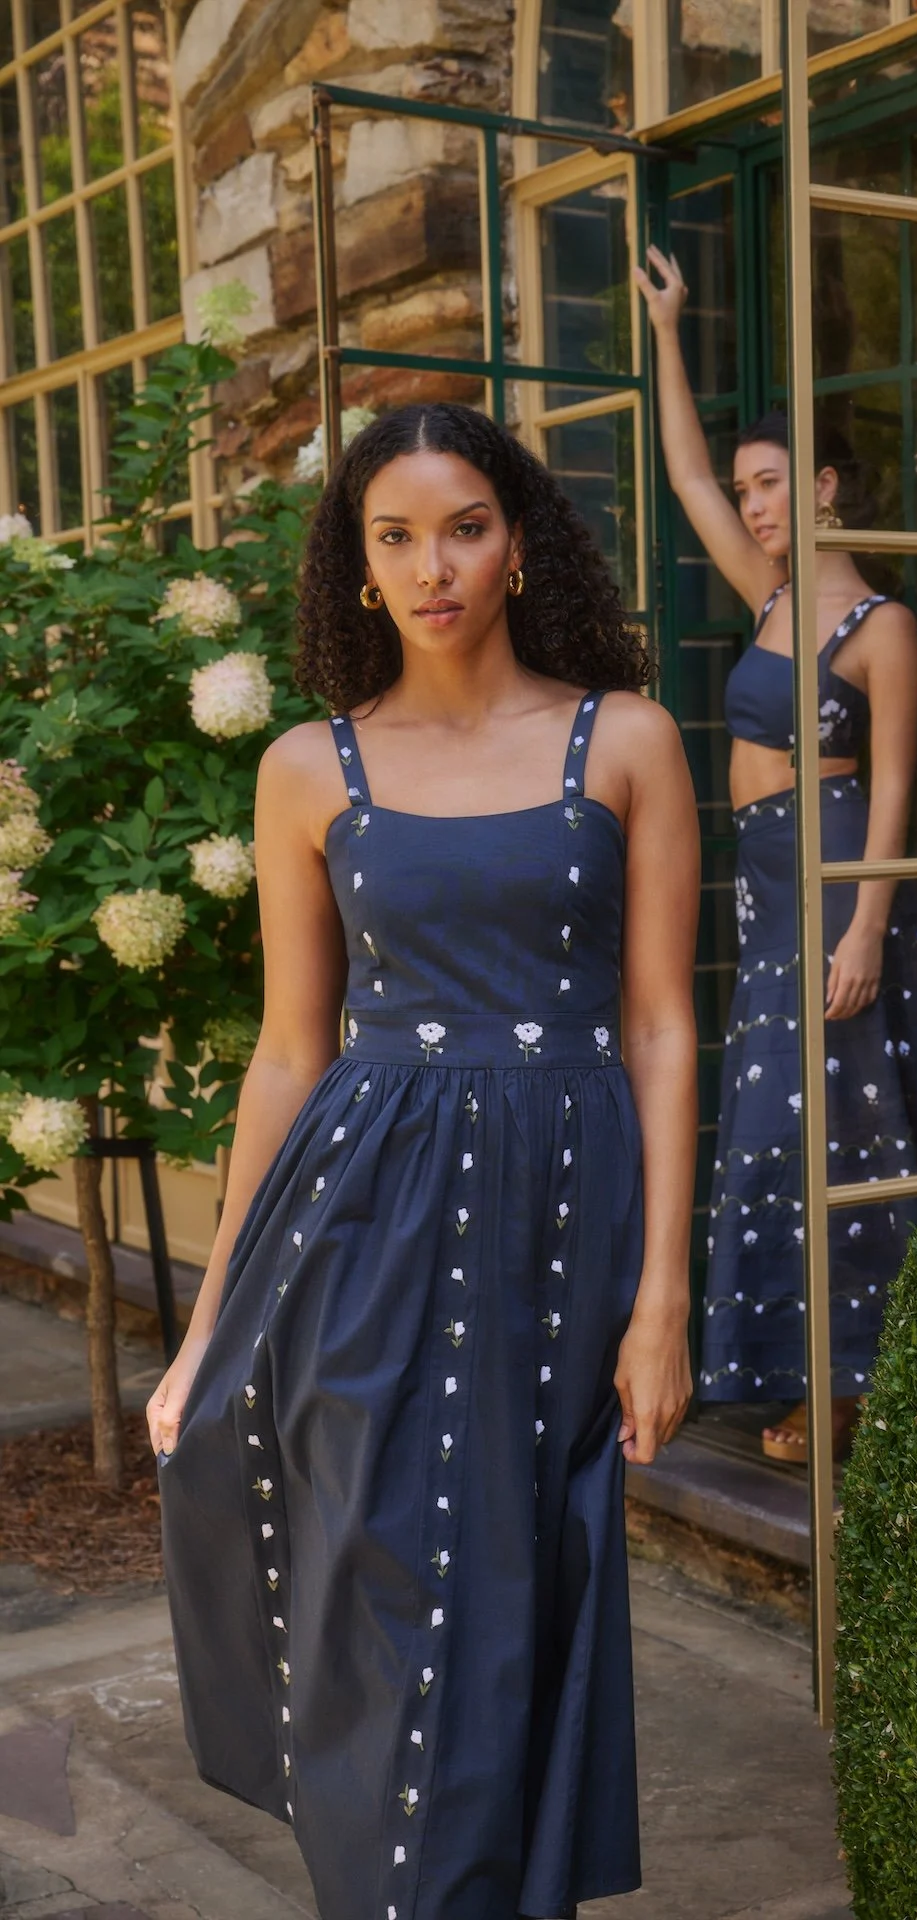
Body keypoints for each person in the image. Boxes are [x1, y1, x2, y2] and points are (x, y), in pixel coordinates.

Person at [148, 402, 700, 1920]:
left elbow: (661, 1028)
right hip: (360, 1213)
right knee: (378, 1574)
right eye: (394, 537)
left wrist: (664, 1297)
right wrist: (208, 1321)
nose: (432, 565)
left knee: (523, 1580)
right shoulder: (306, 770)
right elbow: (288, 1048)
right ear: (359, 566)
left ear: (520, 544)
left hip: (562, 1212)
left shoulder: (627, 738)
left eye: (463, 527)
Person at [636, 244, 917, 1466]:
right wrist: (668, 326)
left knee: (847, 1132)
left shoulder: (881, 628)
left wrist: (863, 926)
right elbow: (684, 471)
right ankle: (798, 1371)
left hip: (832, 886)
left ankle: (859, 1384)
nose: (753, 506)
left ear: (821, 488)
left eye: (773, 487)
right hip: (763, 890)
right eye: (749, 491)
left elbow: (898, 788)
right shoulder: (764, 594)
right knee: (769, 1130)